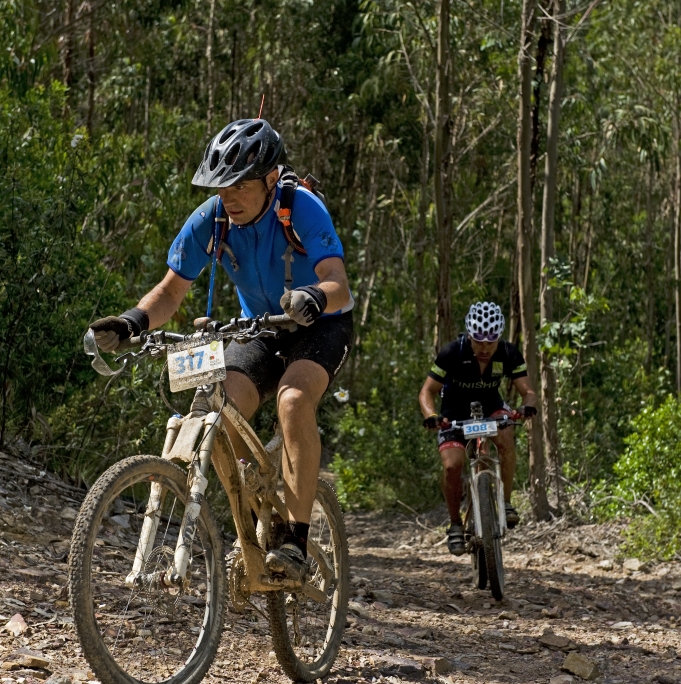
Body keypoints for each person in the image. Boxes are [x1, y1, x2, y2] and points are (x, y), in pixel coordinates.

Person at [90, 117, 353, 582]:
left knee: (293, 400)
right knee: (219, 406)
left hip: (320, 323)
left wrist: (314, 295)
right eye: (221, 187)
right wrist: (132, 321)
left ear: (270, 180)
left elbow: (339, 285)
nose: (228, 197)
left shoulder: (302, 208)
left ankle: (295, 541)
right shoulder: (211, 219)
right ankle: (253, 506)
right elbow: (170, 292)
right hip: (261, 328)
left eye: (240, 186)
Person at [418, 301, 537, 556]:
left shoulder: (508, 353)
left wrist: (527, 406)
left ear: (499, 337)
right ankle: (455, 525)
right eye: (479, 341)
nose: (484, 348)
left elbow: (528, 391)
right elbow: (427, 391)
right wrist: (432, 416)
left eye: (491, 342)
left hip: (491, 406)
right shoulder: (452, 352)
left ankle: (505, 503)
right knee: (452, 466)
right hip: (453, 413)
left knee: (506, 434)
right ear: (470, 336)